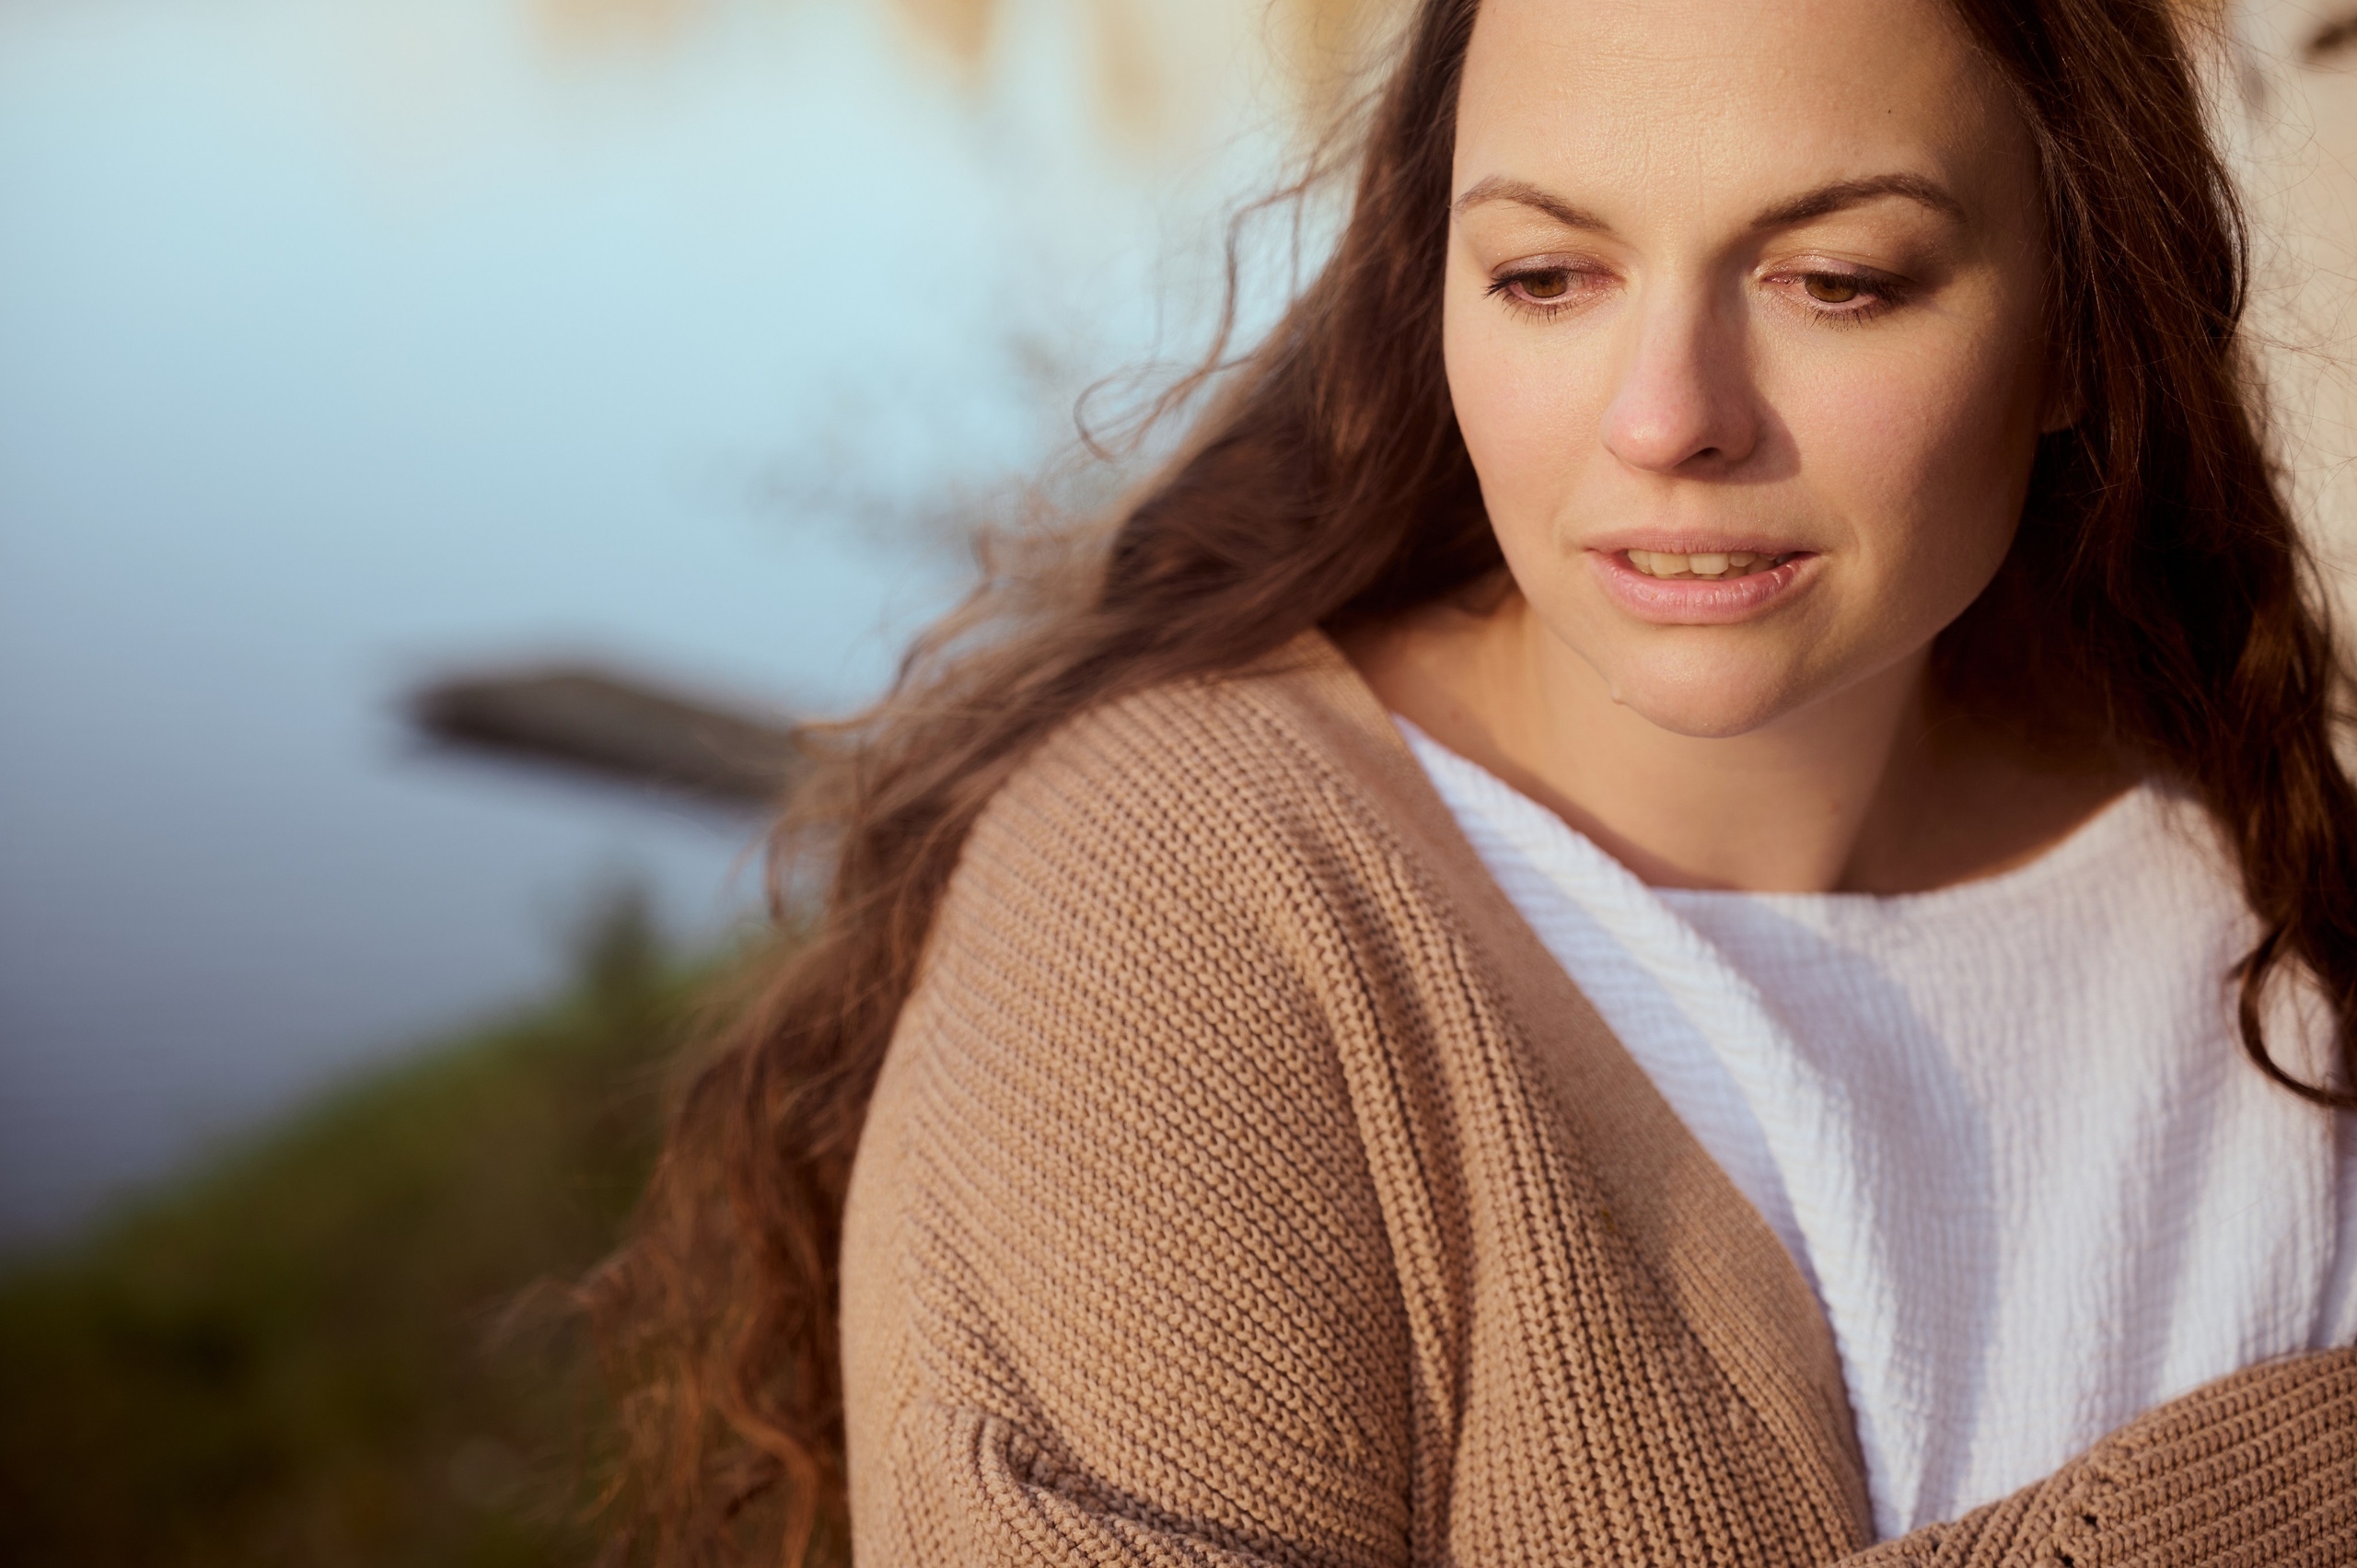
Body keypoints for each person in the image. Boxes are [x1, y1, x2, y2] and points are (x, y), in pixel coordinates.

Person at [589, 0, 2357, 1562]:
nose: (1666, 417)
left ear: (2078, 326)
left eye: (1836, 280)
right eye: (1546, 277)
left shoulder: (2271, 862)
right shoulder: (1177, 900)